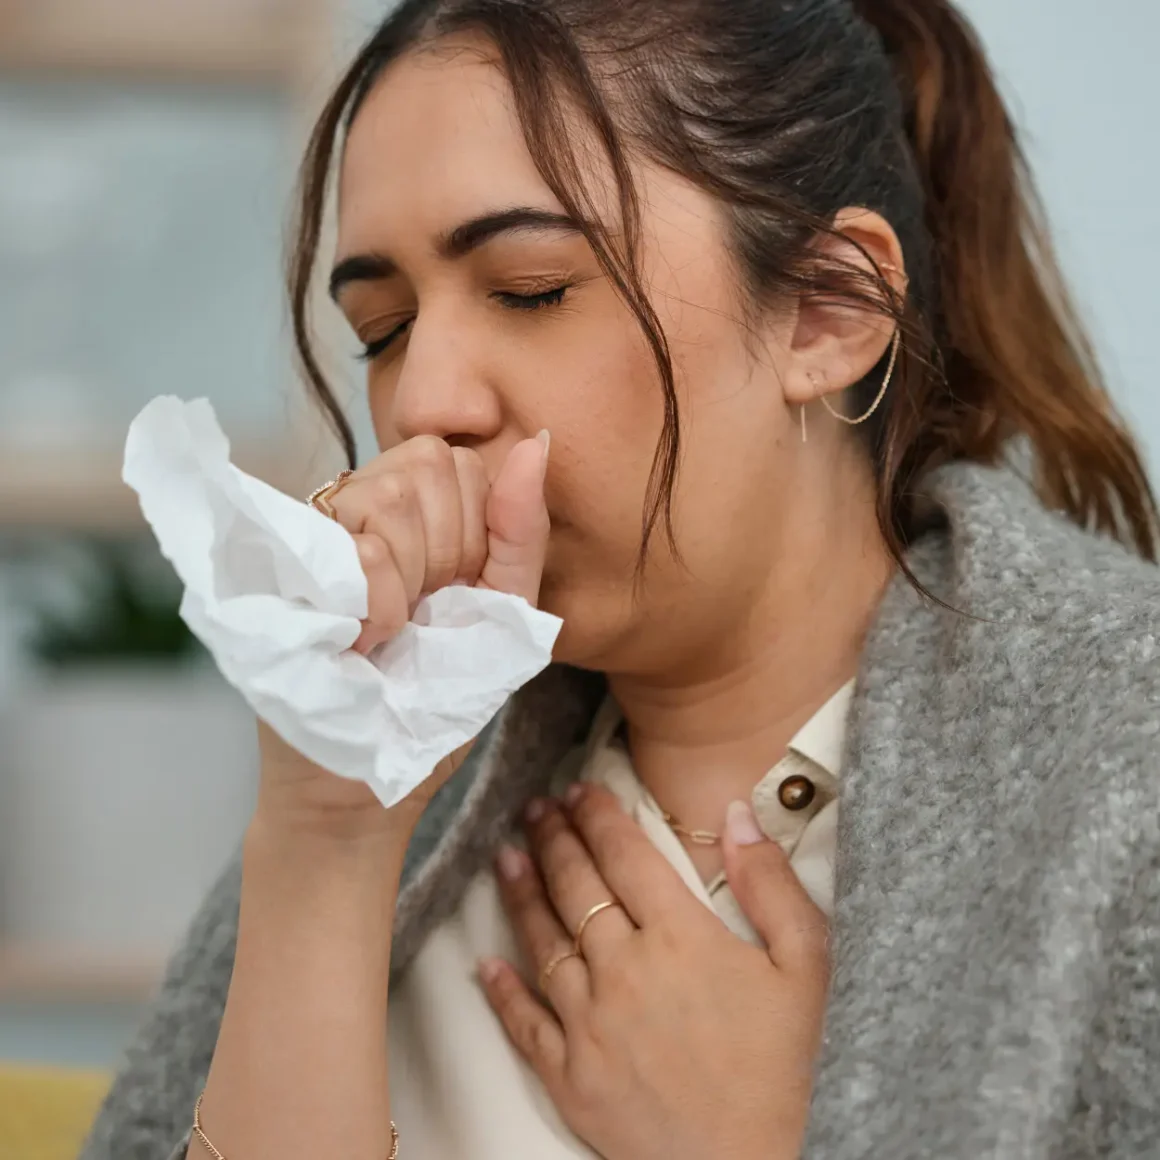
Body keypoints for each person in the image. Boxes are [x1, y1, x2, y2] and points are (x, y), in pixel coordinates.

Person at [82, 0, 1160, 1157]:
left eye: (531, 288)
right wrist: (325, 840)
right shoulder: (404, 797)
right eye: (383, 328)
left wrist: (774, 1133)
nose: (427, 401)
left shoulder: (1120, 762)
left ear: (829, 308)